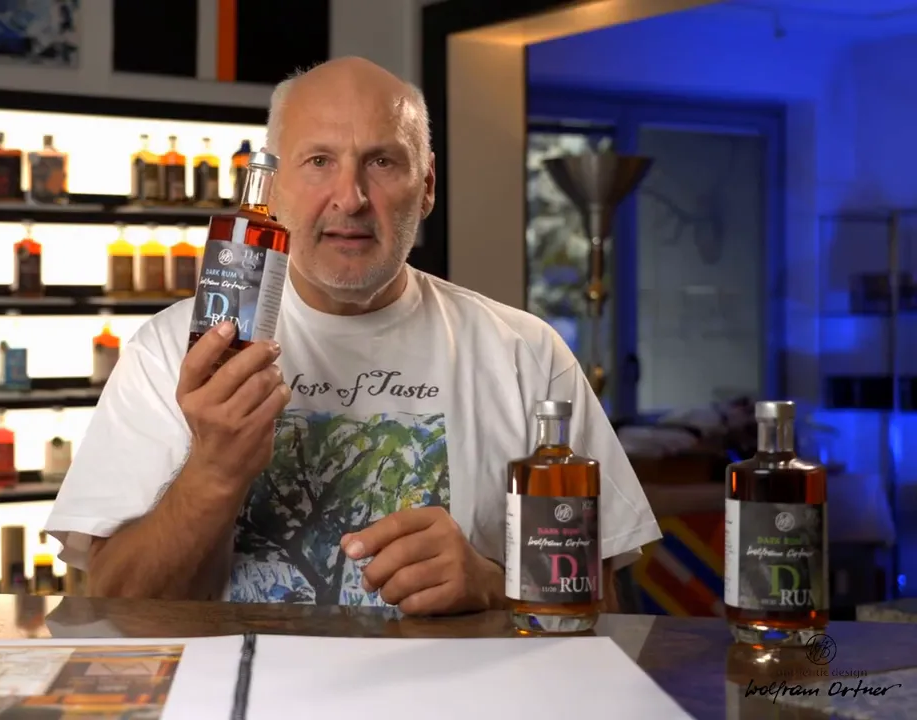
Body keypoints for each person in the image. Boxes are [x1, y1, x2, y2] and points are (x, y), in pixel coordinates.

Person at [45, 56, 661, 616]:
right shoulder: (169, 351)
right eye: (319, 162)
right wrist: (213, 469)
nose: (351, 197)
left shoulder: (527, 355)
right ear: (272, 186)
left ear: (427, 186)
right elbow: (107, 609)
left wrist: (492, 585)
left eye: (382, 161)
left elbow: (606, 608)